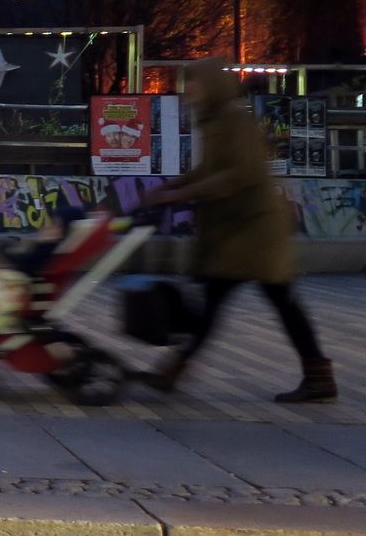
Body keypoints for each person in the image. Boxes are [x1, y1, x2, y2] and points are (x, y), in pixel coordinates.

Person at [144, 58, 337, 402]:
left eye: (195, 83)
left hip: (254, 230)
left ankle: (174, 369)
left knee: (227, 298)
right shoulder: (215, 120)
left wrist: (180, 193)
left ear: (213, 86)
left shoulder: (233, 120)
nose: (188, 89)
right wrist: (171, 186)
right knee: (269, 301)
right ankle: (317, 374)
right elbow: (209, 169)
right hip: (240, 230)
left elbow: (239, 174)